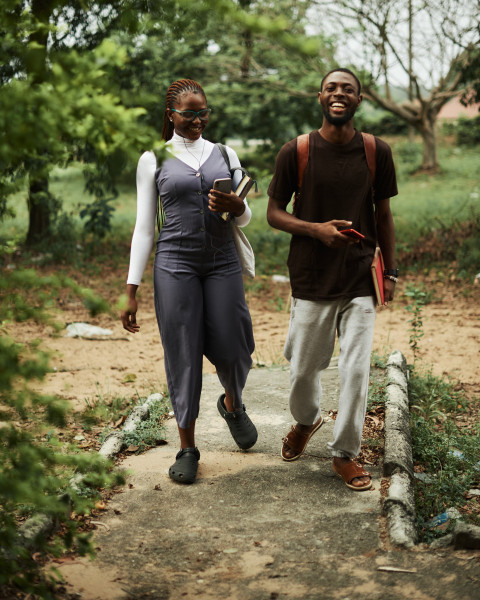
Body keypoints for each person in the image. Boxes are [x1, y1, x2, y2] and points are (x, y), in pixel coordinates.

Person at [266, 68, 398, 491]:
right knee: (304, 370)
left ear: (359, 100)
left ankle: (345, 453)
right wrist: (316, 229)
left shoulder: (377, 152)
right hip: (311, 276)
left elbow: (384, 215)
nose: (339, 94)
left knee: (356, 370)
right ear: (319, 97)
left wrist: (390, 271)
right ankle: (306, 420)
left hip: (360, 276)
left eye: (348, 90)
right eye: (331, 88)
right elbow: (273, 213)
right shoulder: (297, 151)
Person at [121, 79, 257, 484]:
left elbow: (244, 216)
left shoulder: (224, 153)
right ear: (171, 115)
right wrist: (132, 291)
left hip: (222, 261)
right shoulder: (153, 159)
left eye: (203, 113)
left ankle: (232, 404)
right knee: (183, 352)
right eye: (188, 113)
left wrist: (238, 205)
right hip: (174, 263)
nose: (197, 120)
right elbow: (145, 228)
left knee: (235, 345)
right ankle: (187, 446)